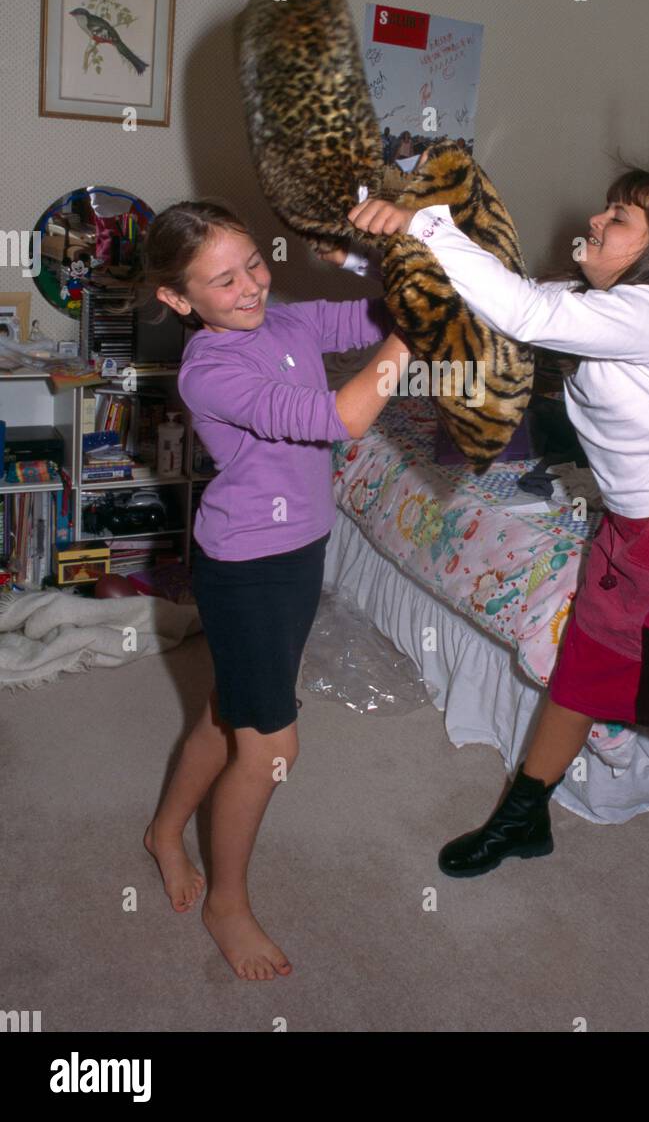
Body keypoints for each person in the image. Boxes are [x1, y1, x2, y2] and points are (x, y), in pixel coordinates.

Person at [347, 120, 649, 958]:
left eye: (620, 218)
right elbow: (487, 309)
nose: (596, 218)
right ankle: (523, 819)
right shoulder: (593, 308)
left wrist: (425, 222)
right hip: (632, 527)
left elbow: (517, 305)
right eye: (608, 207)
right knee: (583, 673)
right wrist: (382, 251)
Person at [140, 201, 408, 980]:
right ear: (178, 300)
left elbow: (369, 313)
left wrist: (405, 269)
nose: (252, 285)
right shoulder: (211, 369)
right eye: (223, 282)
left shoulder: (286, 322)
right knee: (270, 748)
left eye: (253, 263)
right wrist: (410, 341)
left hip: (298, 551)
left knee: (229, 715)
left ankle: (164, 832)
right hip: (246, 568)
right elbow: (335, 419)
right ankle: (228, 902)